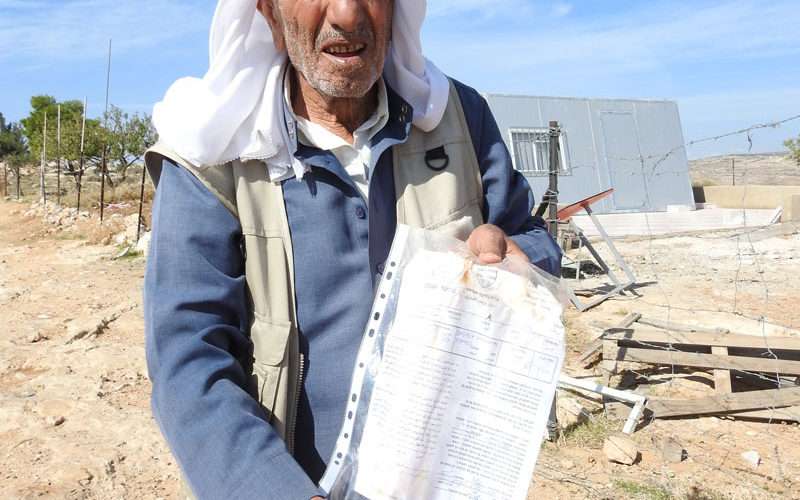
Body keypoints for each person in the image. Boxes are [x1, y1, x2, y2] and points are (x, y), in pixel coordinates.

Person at [143, 0, 562, 498]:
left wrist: (515, 257)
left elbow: (533, 239)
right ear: (271, 16)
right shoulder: (211, 153)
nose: (346, 12)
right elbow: (188, 359)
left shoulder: (459, 119)